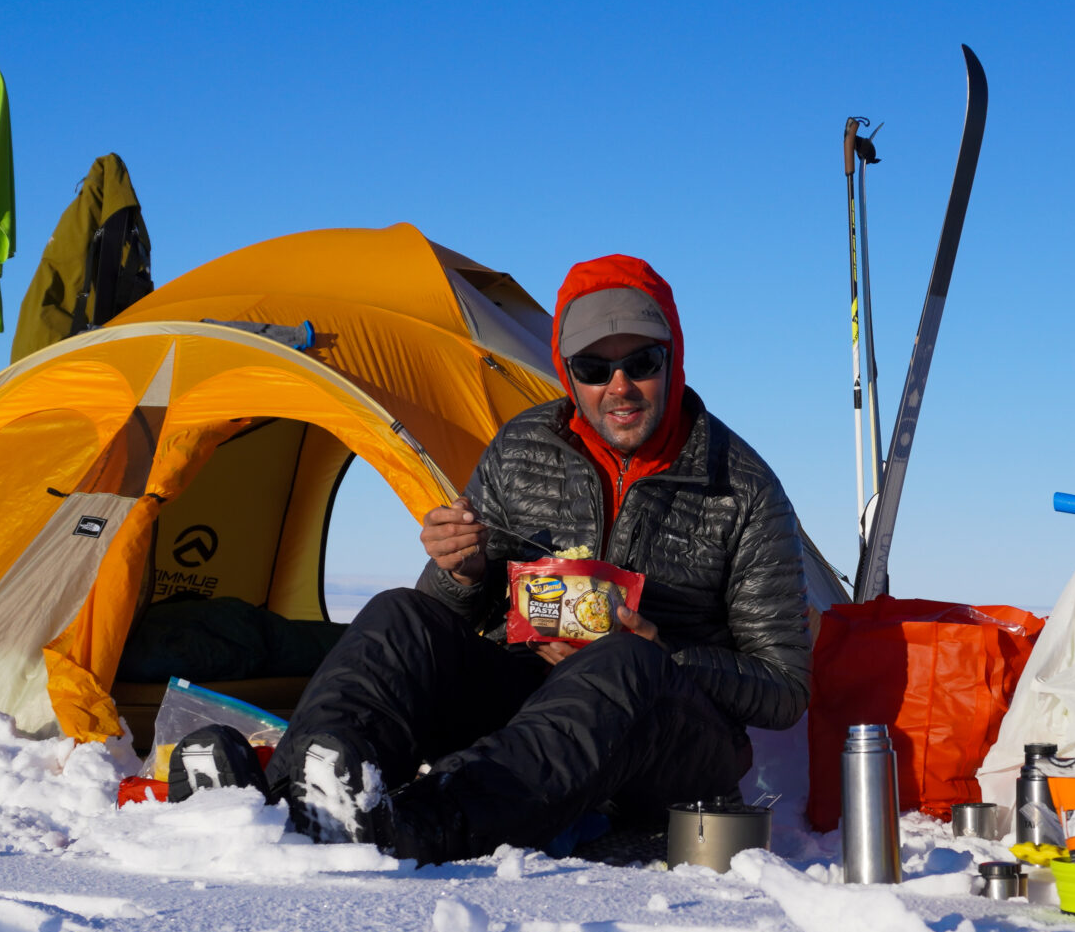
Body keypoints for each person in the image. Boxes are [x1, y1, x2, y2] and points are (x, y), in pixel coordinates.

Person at [177, 254, 811, 863]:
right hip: (531, 703)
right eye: (593, 368)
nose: (619, 387)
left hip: (668, 739)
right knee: (399, 616)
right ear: (568, 373)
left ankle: (421, 824)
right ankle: (283, 801)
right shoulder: (523, 447)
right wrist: (464, 571)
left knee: (625, 663)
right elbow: (441, 609)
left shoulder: (743, 487)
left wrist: (660, 649)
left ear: (673, 359)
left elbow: (784, 689)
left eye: (640, 362)